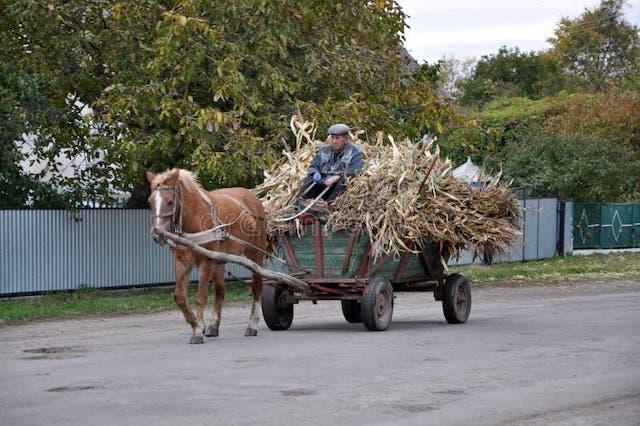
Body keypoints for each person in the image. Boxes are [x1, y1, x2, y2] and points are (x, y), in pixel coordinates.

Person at [299, 123, 364, 204]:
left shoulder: (354, 151)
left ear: (346, 139)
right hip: (323, 183)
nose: (334, 141)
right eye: (332, 138)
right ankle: (298, 206)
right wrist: (315, 173)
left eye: (337, 138)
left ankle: (330, 206)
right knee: (308, 180)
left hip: (337, 187)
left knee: (344, 181)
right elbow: (313, 165)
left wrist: (337, 177)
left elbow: (356, 169)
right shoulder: (323, 150)